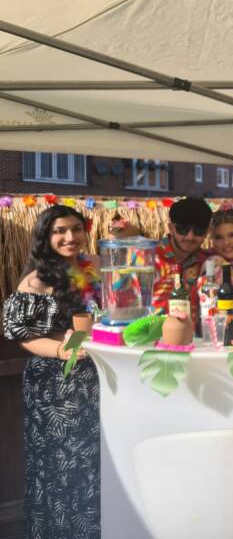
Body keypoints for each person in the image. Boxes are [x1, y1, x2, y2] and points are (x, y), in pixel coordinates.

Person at [2, 205, 102, 539]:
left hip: (92, 382)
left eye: (76, 228)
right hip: (55, 386)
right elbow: (22, 334)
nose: (70, 236)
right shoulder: (37, 280)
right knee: (62, 467)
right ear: (46, 235)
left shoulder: (92, 267)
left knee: (91, 464)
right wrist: (63, 350)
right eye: (60, 230)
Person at [151, 196, 212, 322]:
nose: (190, 236)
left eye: (198, 231)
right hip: (152, 331)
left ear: (207, 232)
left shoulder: (207, 262)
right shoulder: (149, 258)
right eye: (182, 229)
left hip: (193, 333)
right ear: (171, 228)